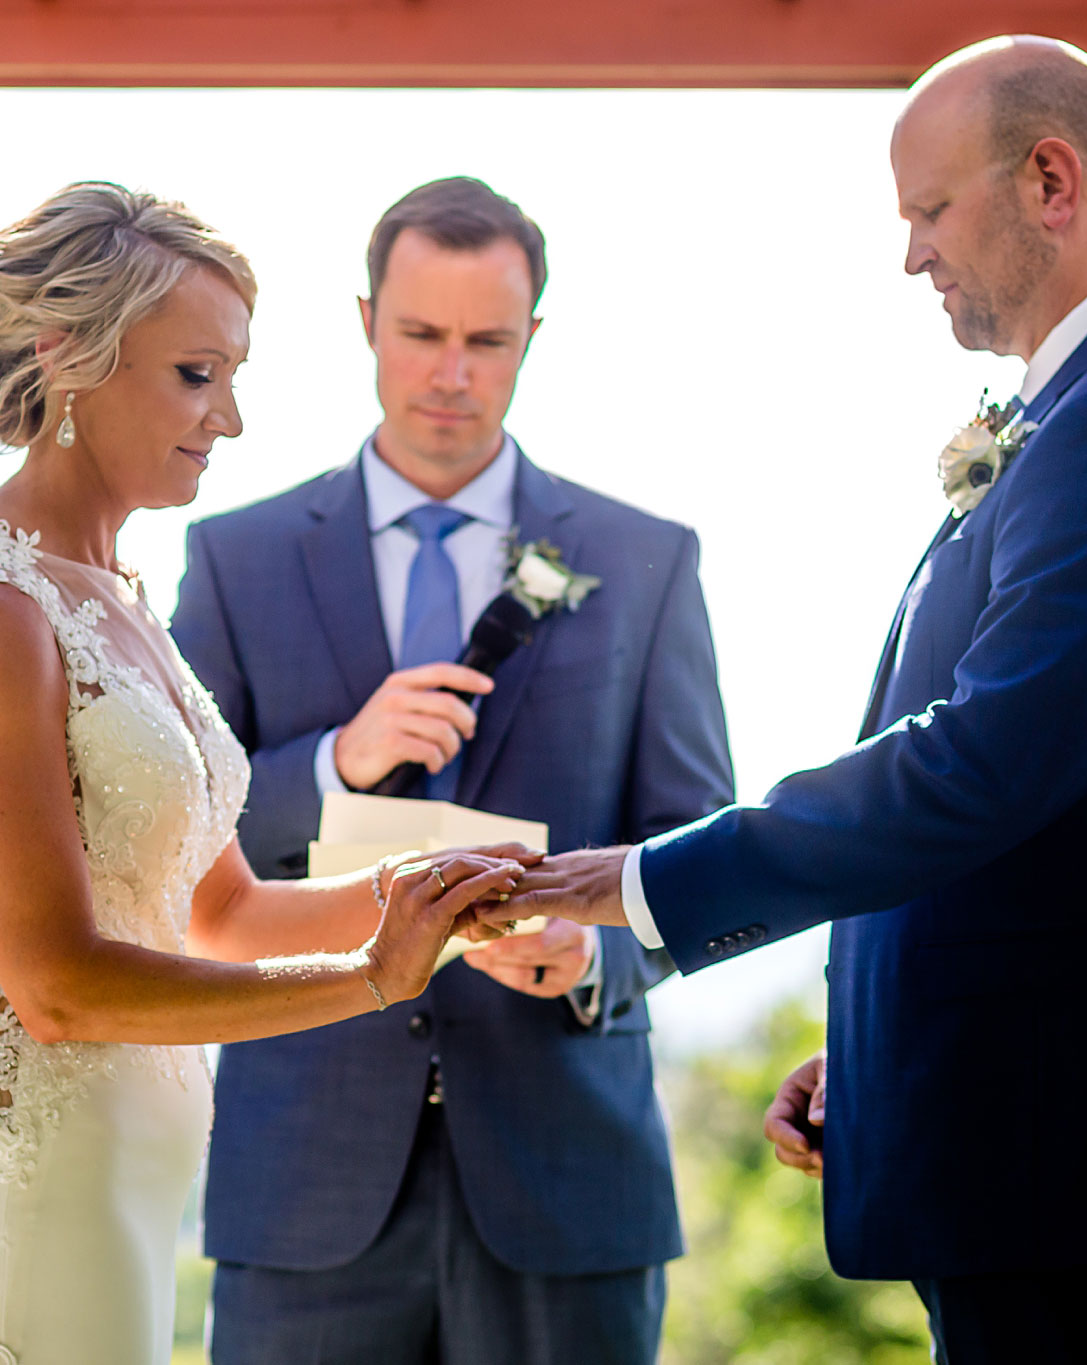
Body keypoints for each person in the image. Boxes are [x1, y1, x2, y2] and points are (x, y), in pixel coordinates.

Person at [500, 40, 1087, 1364]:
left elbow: (975, 767)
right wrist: (889, 1048)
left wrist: (641, 881)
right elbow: (1055, 814)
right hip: (1038, 1143)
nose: (913, 255)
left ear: (1051, 178)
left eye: (931, 211)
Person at [0, 181, 526, 1365]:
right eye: (194, 374)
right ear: (70, 358)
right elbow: (56, 988)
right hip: (16, 1192)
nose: (228, 420)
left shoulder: (115, 596)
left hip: (119, 1184)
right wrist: (373, 977)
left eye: (230, 377)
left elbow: (221, 911)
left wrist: (453, 894)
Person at [170, 176, 733, 1365]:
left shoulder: (644, 562)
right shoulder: (235, 556)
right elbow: (170, 836)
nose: (450, 374)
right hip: (304, 1181)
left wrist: (597, 952)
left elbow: (700, 849)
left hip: (568, 1180)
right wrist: (332, 765)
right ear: (365, 321)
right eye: (420, 335)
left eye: (486, 341)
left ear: (532, 337)